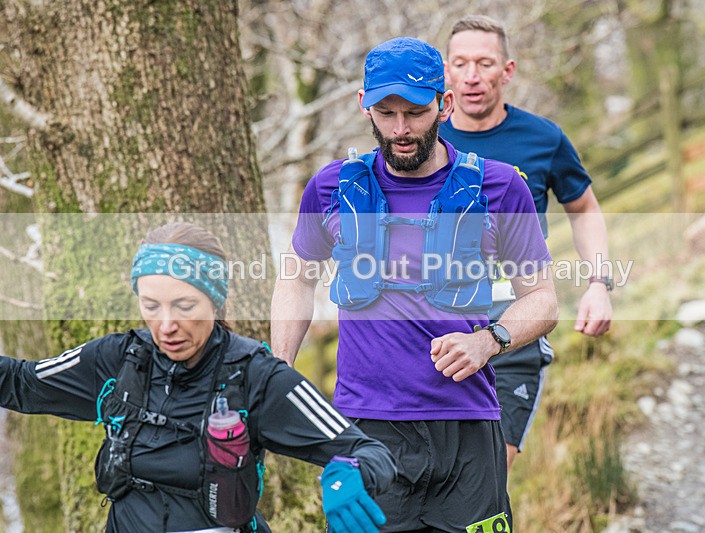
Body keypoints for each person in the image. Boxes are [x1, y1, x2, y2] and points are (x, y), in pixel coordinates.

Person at [271, 37, 558, 533]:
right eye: (387, 112)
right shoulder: (330, 187)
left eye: (416, 112)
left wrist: (488, 341)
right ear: (364, 106)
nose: (401, 129)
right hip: (364, 431)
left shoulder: (500, 186)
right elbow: (296, 278)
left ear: (444, 106)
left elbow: (544, 299)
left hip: (468, 430)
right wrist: (278, 371)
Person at [0, 221, 395, 533]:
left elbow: (371, 453)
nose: (166, 324)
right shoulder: (117, 360)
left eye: (185, 305)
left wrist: (349, 474)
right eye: (151, 305)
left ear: (215, 300)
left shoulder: (256, 376)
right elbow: (19, 382)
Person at [440, 15, 614, 470]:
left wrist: (599, 283)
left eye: (485, 62)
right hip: (436, 321)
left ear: (507, 70)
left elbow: (585, 210)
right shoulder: (424, 142)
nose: (472, 75)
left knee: (490, 469)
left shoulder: (543, 138)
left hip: (516, 318)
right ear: (446, 72)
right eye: (461, 63)